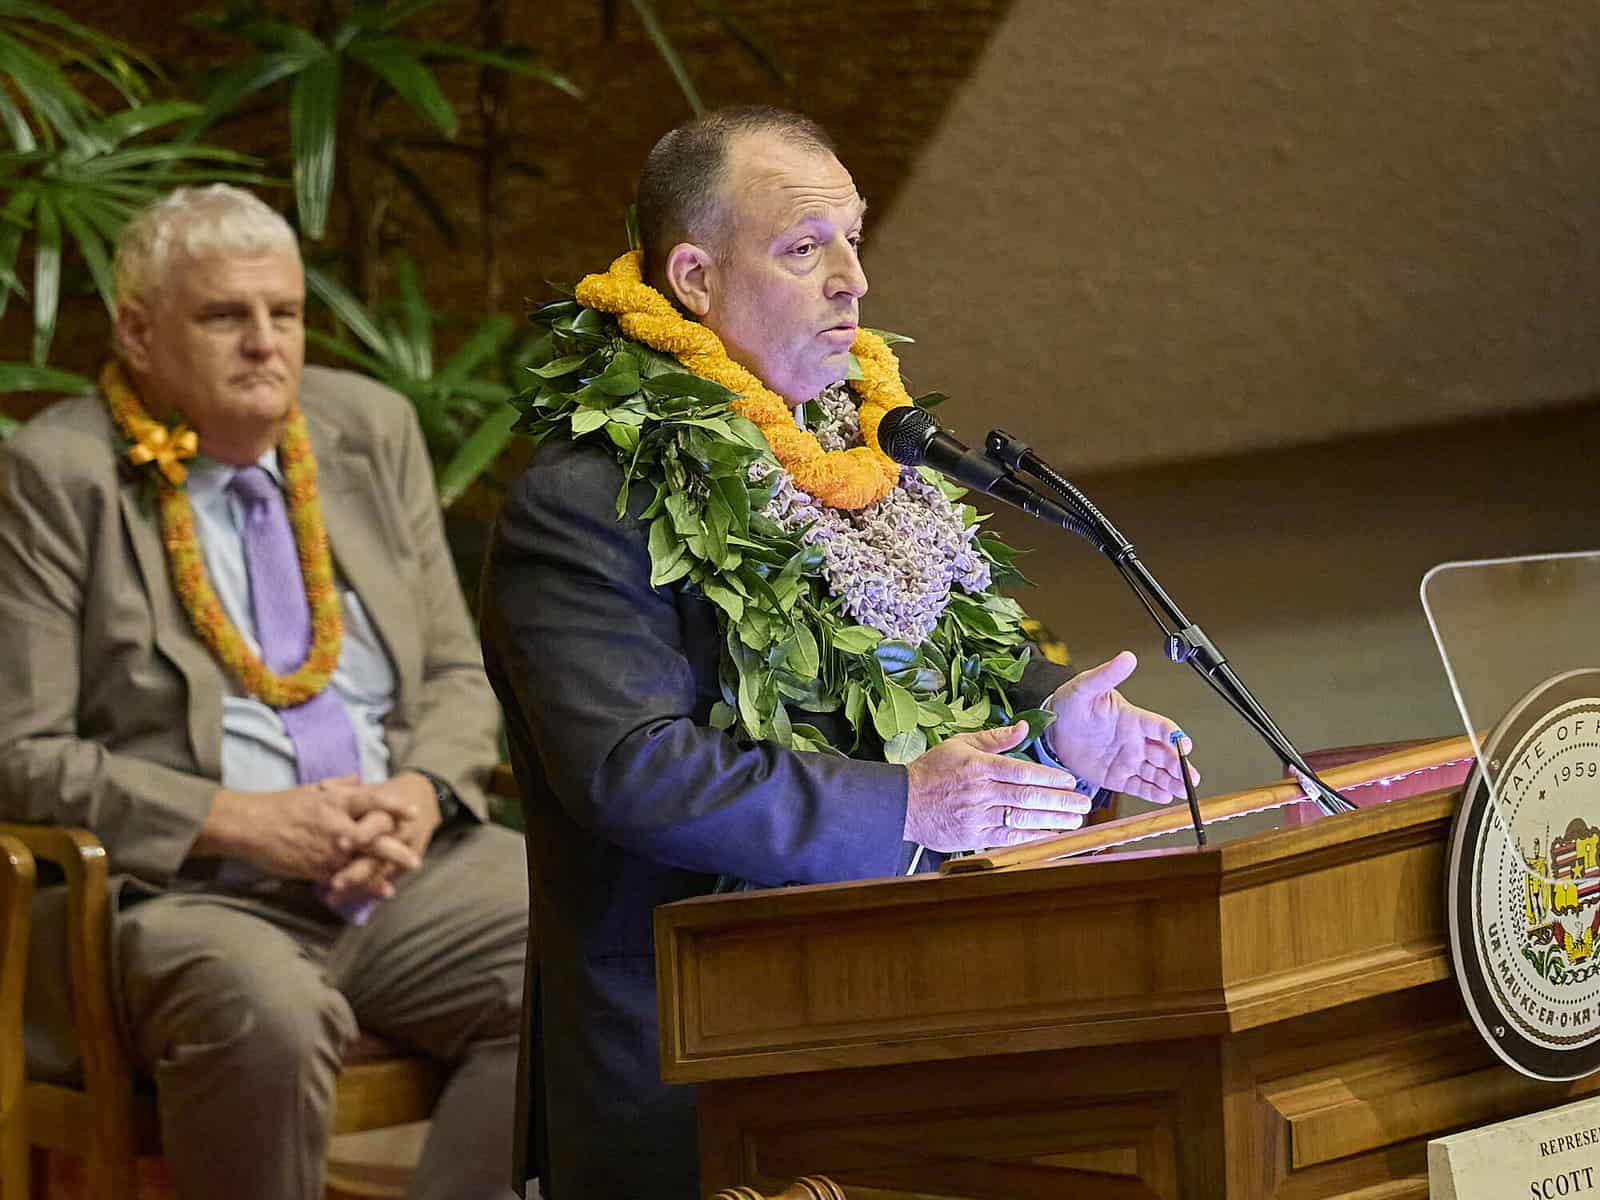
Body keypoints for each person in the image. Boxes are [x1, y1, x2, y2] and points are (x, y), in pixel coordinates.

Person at [480, 106, 1196, 1199]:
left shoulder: (854, 449)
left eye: (854, 240)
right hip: (696, 1064)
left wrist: (1058, 726)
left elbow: (929, 654)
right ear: (694, 278)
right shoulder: (586, 497)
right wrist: (906, 805)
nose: (852, 281)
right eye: (804, 248)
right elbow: (631, 770)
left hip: (918, 1020)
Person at [0, 185, 527, 1200]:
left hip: (402, 868)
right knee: (266, 1012)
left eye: (283, 312)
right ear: (138, 333)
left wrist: (419, 793)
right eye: (223, 316)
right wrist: (239, 820)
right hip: (183, 893)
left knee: (583, 942)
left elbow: (457, 677)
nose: (265, 344)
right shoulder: (59, 473)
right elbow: (20, 754)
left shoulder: (366, 429)